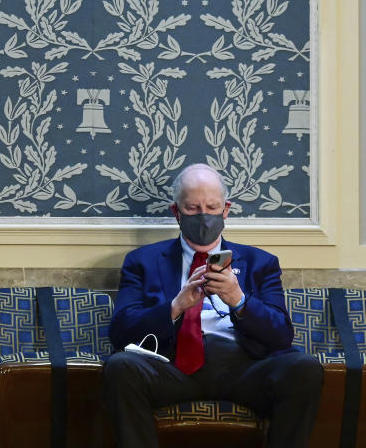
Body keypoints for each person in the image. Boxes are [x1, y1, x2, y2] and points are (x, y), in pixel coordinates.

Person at [103, 163, 323, 448]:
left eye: (212, 206)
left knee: (304, 367)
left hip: (243, 368)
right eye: (193, 208)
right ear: (176, 212)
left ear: (226, 209)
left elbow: (282, 336)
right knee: (119, 367)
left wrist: (239, 300)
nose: (204, 216)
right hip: (172, 367)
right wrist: (175, 307)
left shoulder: (260, 263)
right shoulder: (142, 261)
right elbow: (121, 332)